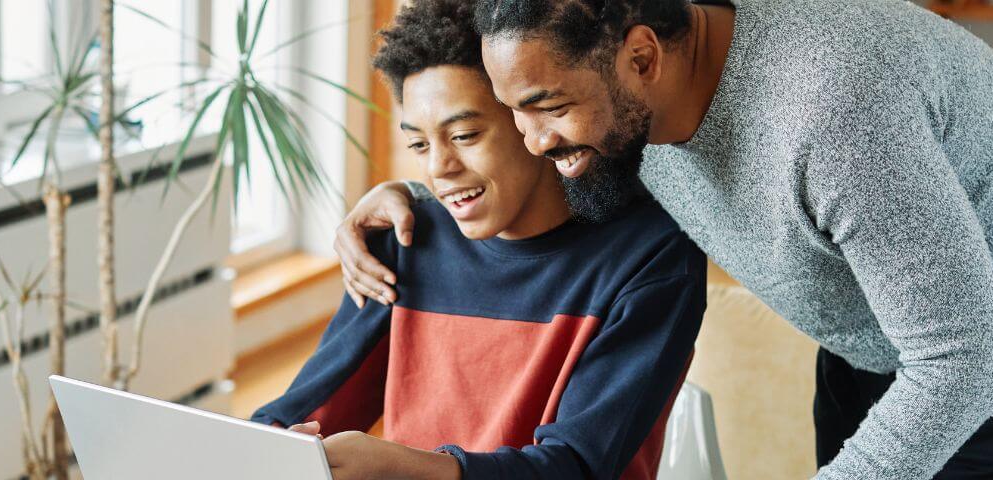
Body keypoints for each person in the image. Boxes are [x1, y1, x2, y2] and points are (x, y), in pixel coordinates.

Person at [336, 0, 993, 478]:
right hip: (876, 334)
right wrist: (421, 199)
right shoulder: (621, 77)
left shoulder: (829, 119)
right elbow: (547, 180)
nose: (533, 139)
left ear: (641, 56)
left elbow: (966, 357)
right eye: (512, 115)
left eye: (547, 107)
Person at [251, 1, 707, 479]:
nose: (438, 169)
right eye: (419, 144)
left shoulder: (650, 259)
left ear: (527, 115)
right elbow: (292, 421)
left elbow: (579, 465)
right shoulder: (403, 243)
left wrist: (424, 471)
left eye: (465, 135)